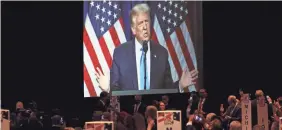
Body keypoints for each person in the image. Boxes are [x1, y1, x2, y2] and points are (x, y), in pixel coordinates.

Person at [95, 3, 198, 92]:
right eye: (140, 23)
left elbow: (167, 88)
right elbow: (116, 88)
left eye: (146, 21)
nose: (145, 27)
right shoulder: (120, 53)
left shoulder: (162, 53)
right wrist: (108, 88)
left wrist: (180, 85)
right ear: (133, 29)